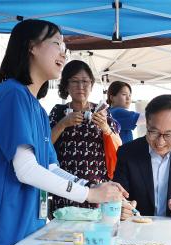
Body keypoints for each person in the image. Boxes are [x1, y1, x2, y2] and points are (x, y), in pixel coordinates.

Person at [0, 19, 126, 245]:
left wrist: (95, 186)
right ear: (31, 47)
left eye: (64, 46)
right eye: (56, 43)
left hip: (25, 226)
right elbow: (26, 169)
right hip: (1, 231)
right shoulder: (12, 95)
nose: (63, 52)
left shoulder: (36, 107)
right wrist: (90, 193)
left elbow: (50, 167)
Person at [116, 94, 171, 219]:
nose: (160, 142)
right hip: (137, 229)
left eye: (169, 135)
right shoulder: (127, 153)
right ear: (147, 124)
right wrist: (120, 207)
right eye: (153, 132)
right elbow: (118, 193)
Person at [49, 60, 122, 211]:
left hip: (98, 188)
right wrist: (62, 124)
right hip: (66, 187)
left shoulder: (102, 111)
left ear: (91, 84)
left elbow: (119, 147)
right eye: (74, 81)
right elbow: (44, 144)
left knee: (95, 233)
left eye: (85, 81)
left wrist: (105, 127)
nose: (80, 87)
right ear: (66, 85)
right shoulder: (58, 111)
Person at [107, 80, 142, 144]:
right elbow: (147, 118)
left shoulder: (108, 112)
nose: (128, 98)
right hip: (122, 152)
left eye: (130, 95)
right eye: (124, 94)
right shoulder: (117, 112)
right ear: (112, 97)